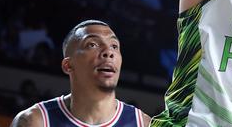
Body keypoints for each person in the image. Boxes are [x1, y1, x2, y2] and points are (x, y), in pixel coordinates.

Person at [11, 20, 151, 127]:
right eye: (92, 44)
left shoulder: (143, 123)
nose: (109, 52)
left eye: (114, 46)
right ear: (68, 65)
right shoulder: (35, 121)